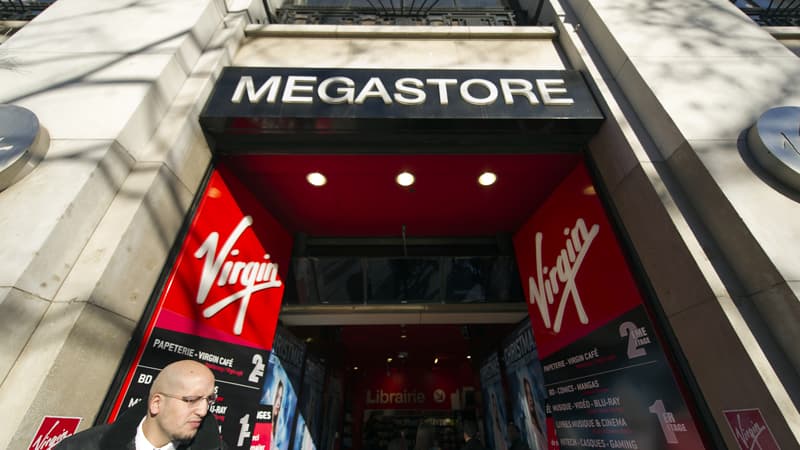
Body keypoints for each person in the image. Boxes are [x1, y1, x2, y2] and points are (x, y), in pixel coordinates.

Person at [55, 359, 226, 449]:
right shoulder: (80, 447)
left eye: (209, 400)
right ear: (156, 404)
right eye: (191, 400)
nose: (203, 411)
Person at [271, 380, 285, 450]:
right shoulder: (263, 423)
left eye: (281, 398)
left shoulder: (277, 428)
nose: (279, 403)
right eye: (277, 397)